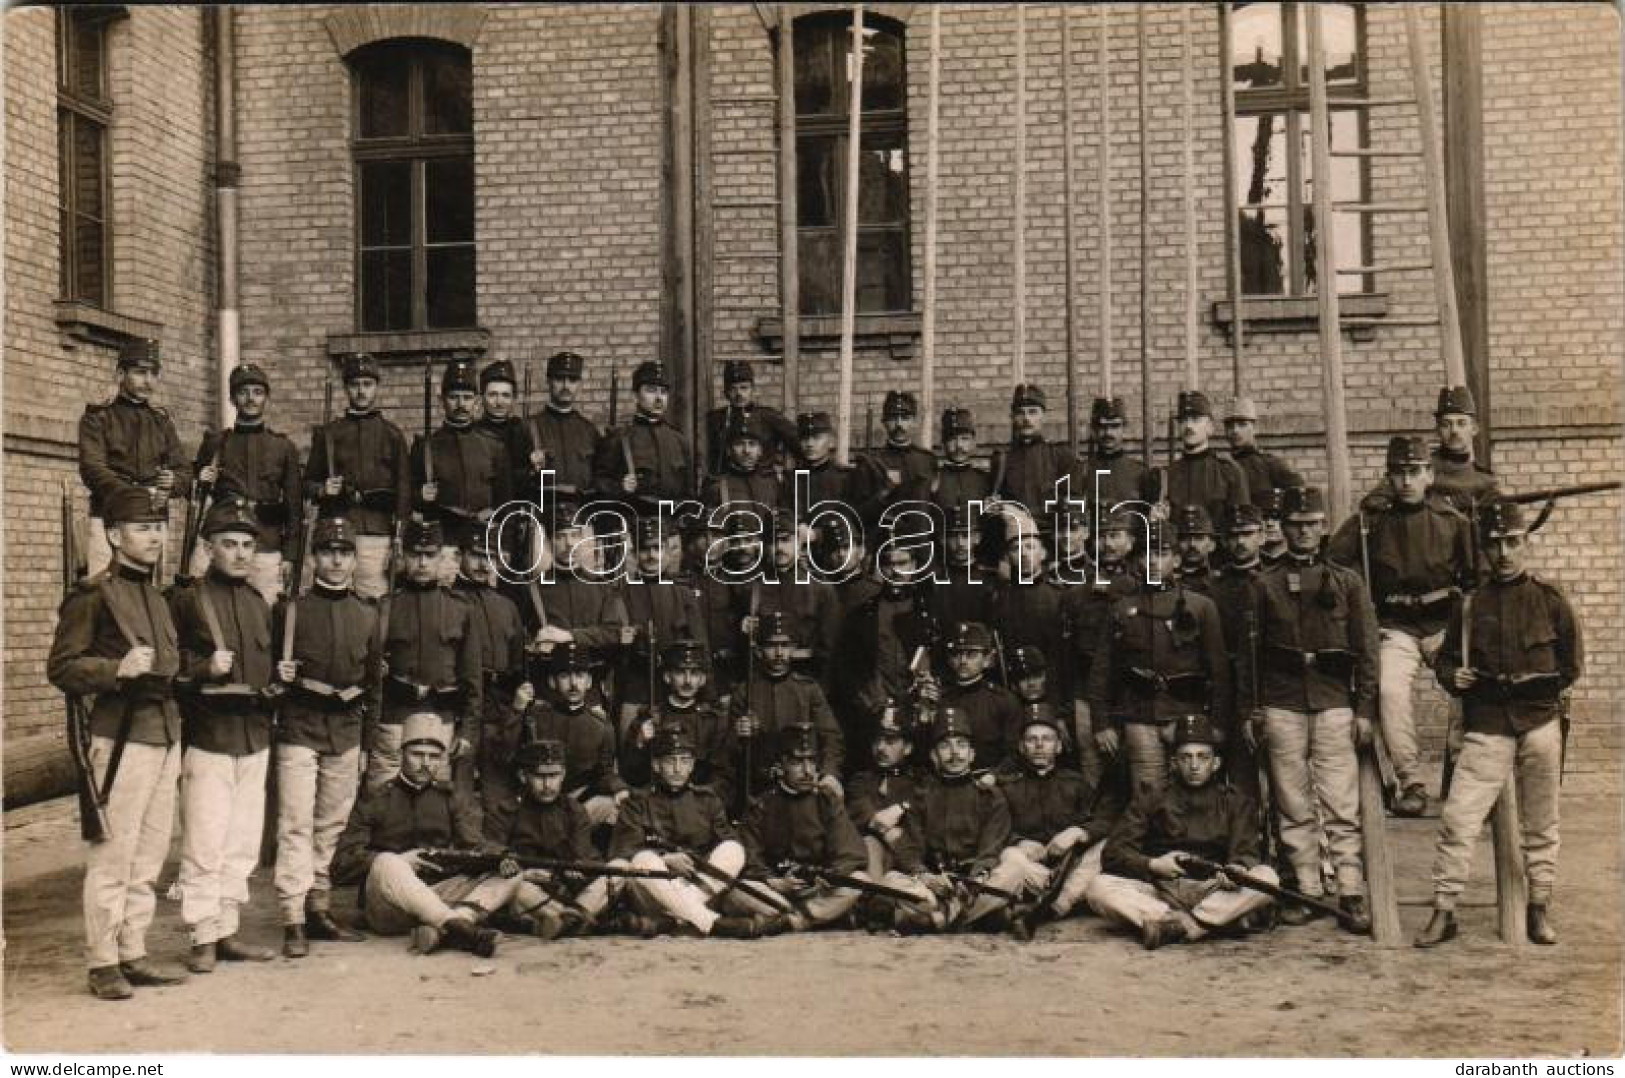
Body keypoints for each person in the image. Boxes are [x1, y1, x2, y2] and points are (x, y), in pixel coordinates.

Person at [1419, 500, 1582, 948]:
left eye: (1512, 542)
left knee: (1542, 821)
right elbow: (1447, 660)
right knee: (1458, 818)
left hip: (1539, 722)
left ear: (1525, 543)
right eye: (1496, 544)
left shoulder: (1551, 600)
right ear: (1486, 550)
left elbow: (1571, 665)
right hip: (1488, 723)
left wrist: (1537, 689)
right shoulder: (1470, 605)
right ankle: (1444, 908)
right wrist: (1456, 676)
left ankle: (1539, 908)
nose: (1504, 552)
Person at [48, 486, 188, 1000]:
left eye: (158, 527)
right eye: (141, 527)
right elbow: (61, 667)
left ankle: (133, 949)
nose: (153, 536)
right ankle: (103, 959)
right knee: (114, 853)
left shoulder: (156, 595)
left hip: (164, 732)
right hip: (121, 737)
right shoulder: (92, 595)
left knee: (150, 854)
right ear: (113, 535)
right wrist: (115, 669)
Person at [1237, 485, 1379, 934]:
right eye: (1295, 525)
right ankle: (1307, 888)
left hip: (1334, 702)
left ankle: (1351, 889)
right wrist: (1250, 710)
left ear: (1322, 528)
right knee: (1293, 802)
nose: (1303, 533)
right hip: (1281, 704)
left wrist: (1365, 709)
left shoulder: (1348, 582)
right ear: (1284, 528)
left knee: (1340, 801)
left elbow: (1367, 649)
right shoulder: (1265, 584)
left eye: (1311, 525)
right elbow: (1249, 656)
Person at [1329, 435, 1476, 816]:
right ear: (1388, 478)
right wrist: (1363, 615)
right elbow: (1335, 565)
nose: (1407, 481)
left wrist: (1466, 619)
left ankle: (1466, 775)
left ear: (1429, 474)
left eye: (1415, 472)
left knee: (1467, 688)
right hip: (1395, 626)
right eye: (1399, 474)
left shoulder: (1452, 520)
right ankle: (1410, 780)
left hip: (1445, 623)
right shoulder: (1370, 523)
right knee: (1390, 690)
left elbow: (1476, 576)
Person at [168, 496, 278, 971]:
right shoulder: (188, 600)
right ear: (209, 548)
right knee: (205, 841)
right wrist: (203, 669)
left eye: (247, 544)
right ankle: (201, 938)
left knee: (242, 843)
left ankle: (226, 930)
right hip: (209, 738)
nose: (239, 553)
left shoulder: (259, 604)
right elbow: (170, 673)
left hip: (254, 737)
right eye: (228, 543)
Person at [272, 516, 376, 958]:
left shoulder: (369, 613)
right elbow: (269, 671)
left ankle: (318, 907)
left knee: (331, 825)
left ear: (354, 560)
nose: (337, 560)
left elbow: (374, 684)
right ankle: (292, 915)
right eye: (328, 552)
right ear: (313, 558)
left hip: (347, 729)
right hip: (300, 724)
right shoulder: (290, 610)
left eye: (345, 552)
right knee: (295, 823)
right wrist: (280, 675)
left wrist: (367, 742)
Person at [1086, 714, 1276, 949]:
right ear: (1174, 763)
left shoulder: (1236, 801)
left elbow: (1246, 850)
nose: (1194, 766)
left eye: (1202, 757)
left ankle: (1182, 927)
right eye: (1186, 757)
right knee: (1098, 888)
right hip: (1161, 890)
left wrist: (1237, 868)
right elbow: (1113, 853)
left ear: (1215, 763)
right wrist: (1153, 865)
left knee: (1267, 878)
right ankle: (1210, 922)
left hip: (1212, 888)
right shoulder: (1151, 797)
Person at [332, 712, 514, 957]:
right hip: (389, 906)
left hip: (438, 894)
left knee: (512, 875)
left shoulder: (450, 798)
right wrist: (400, 861)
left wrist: (502, 857)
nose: (426, 763)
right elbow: (341, 864)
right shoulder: (376, 798)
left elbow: (474, 844)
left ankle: (447, 928)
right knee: (387, 862)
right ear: (401, 754)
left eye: (434, 756)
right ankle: (460, 926)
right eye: (417, 754)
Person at [1088, 521, 1231, 797]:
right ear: (1137, 560)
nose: (1153, 561)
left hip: (1189, 715)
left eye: (1161, 553)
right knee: (1148, 797)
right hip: (1141, 717)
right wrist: (1101, 722)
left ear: (1176, 559)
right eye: (1146, 554)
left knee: (1194, 792)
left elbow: (1220, 672)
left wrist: (1218, 724)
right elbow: (1102, 671)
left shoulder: (1201, 607)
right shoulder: (1122, 609)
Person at [878, 708, 1036, 933]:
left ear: (972, 754)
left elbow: (990, 850)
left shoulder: (990, 796)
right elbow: (912, 847)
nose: (954, 754)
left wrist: (974, 881)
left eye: (961, 745)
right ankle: (979, 918)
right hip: (935, 885)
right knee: (891, 880)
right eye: (945, 746)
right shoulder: (922, 795)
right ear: (934, 756)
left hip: (977, 884)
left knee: (1015, 869)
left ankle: (940, 920)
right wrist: (925, 875)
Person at [605, 725, 760, 938]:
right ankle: (711, 923)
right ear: (657, 765)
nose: (678, 769)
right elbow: (624, 849)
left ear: (692, 766)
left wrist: (696, 864)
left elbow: (726, 841)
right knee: (643, 858)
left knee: (734, 849)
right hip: (654, 890)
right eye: (670, 761)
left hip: (700, 886)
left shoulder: (707, 800)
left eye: (684, 761)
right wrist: (666, 859)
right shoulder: (637, 801)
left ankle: (674, 919)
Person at [372, 517, 482, 795]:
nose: (422, 564)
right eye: (415, 555)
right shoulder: (385, 607)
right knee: (382, 802)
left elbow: (472, 678)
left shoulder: (460, 608)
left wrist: (467, 732)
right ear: (403, 556)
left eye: (429, 556)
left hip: (440, 721)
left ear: (440, 556)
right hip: (394, 722)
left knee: (435, 807)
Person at [997, 702, 1124, 939]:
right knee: (1010, 858)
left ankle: (1051, 907)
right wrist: (1019, 841)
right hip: (1030, 866)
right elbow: (995, 828)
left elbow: (1103, 819)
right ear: (1021, 747)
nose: (1039, 746)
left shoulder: (1075, 783)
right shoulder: (1008, 786)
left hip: (1069, 864)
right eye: (1031, 740)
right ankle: (1060, 901)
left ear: (1058, 746)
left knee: (1104, 846)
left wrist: (1078, 832)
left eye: (1047, 739)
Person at [731, 723, 872, 933]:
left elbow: (851, 852)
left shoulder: (826, 801)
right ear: (782, 765)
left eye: (812, 761)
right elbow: (748, 853)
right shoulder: (762, 804)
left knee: (859, 881)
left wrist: (828, 875)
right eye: (798, 762)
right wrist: (773, 881)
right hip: (776, 889)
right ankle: (821, 917)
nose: (807, 771)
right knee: (738, 891)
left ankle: (794, 920)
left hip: (818, 890)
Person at [189, 363, 303, 602]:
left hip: (265, 541)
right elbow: (195, 494)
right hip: (222, 539)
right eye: (243, 392)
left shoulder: (283, 447)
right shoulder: (216, 443)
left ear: (266, 397)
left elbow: (294, 507)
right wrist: (201, 480)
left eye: (258, 392)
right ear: (232, 398)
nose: (251, 399)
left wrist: (291, 555)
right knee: (208, 605)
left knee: (266, 611)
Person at [78, 337, 191, 576]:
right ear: (121, 374)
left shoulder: (161, 422)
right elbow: (92, 468)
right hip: (111, 519)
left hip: (153, 520)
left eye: (153, 374)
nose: (148, 381)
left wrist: (172, 482)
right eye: (140, 372)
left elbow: (184, 470)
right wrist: (135, 495)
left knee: (152, 593)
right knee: (105, 590)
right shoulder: (99, 417)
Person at [304, 352, 412, 599]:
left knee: (372, 603)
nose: (361, 391)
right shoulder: (329, 434)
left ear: (376, 387)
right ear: (346, 388)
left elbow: (404, 494)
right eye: (354, 385)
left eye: (367, 384)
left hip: (375, 534)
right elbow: (307, 484)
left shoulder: (392, 435)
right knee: (331, 598)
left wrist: (398, 541)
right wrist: (322, 489)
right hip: (335, 528)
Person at [483, 738, 612, 939]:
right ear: (523, 776)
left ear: (563, 775)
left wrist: (576, 867)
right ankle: (572, 919)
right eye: (540, 776)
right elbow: (492, 848)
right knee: (510, 887)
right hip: (530, 888)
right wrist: (515, 867)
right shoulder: (507, 810)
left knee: (614, 877)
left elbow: (581, 854)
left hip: (568, 886)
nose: (547, 785)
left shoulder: (574, 810)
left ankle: (562, 919)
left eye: (554, 776)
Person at [412, 358, 511, 583]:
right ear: (441, 401)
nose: (460, 404)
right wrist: (421, 496)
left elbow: (506, 500)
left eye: (467, 398)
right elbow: (409, 499)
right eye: (453, 397)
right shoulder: (426, 447)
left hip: (482, 545)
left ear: (477, 401)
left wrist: (494, 516)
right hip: (444, 542)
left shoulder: (493, 446)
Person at [731, 612, 845, 804]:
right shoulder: (745, 692)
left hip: (803, 785)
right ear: (758, 651)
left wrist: (829, 772)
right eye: (771, 645)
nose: (779, 653)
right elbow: (728, 755)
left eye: (785, 645)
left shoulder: (808, 690)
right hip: (759, 789)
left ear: (793, 649)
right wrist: (739, 735)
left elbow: (832, 737)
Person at [522, 642, 628, 829]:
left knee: (612, 806)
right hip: (540, 800)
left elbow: (604, 773)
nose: (573, 684)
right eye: (565, 676)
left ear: (588, 682)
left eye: (579, 676)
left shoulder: (601, 726)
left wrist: (618, 788)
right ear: (552, 682)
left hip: (579, 803)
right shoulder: (535, 720)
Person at [620, 638, 737, 806]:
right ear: (668, 677)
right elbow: (631, 775)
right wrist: (640, 743)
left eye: (695, 673)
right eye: (681, 673)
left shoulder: (714, 721)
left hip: (698, 804)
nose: (688, 681)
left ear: (703, 679)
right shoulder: (649, 718)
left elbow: (723, 777)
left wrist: (699, 799)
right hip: (656, 804)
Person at [918, 621, 1021, 772]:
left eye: (971, 654)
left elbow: (1015, 753)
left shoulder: (1004, 701)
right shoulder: (939, 699)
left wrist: (995, 776)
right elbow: (924, 754)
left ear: (987, 660)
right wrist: (925, 716)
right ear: (949, 660)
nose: (963, 661)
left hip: (990, 783)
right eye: (957, 654)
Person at [595, 361, 695, 507]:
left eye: (663, 392)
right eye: (651, 390)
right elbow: (599, 483)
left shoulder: (679, 441)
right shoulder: (620, 438)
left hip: (672, 524)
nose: (659, 398)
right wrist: (620, 487)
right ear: (635, 396)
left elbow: (689, 493)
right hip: (635, 522)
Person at [845, 703, 922, 879]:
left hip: (910, 862)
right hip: (869, 861)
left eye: (890, 741)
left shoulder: (919, 783)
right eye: (877, 740)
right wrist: (889, 832)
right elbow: (867, 816)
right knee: (870, 842)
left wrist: (903, 807)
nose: (880, 748)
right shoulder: (860, 782)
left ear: (908, 748)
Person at [990, 383, 1085, 516]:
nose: (1026, 419)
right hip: (1015, 534)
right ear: (1012, 418)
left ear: (1044, 416)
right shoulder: (1002, 460)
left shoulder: (1061, 456)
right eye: (1020, 413)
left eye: (1033, 412)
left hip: (1052, 533)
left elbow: (1075, 504)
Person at [1160, 390, 1250, 524]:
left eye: (1196, 419)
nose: (1189, 426)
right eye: (1184, 420)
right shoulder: (1168, 475)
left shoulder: (1229, 472)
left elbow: (1240, 527)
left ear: (1210, 427)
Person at [849, 390, 937, 523]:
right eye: (893, 418)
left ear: (914, 421)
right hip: (886, 540)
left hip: (920, 540)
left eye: (905, 418)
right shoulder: (870, 463)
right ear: (884, 421)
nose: (899, 424)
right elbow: (858, 515)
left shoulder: (926, 460)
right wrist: (885, 492)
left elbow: (934, 507)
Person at [524, 350, 601, 496]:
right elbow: (514, 482)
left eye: (572, 380)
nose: (566, 386)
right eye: (559, 379)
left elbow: (601, 479)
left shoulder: (589, 430)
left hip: (581, 513)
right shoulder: (529, 427)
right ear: (548, 381)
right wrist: (530, 469)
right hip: (543, 514)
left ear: (579, 384)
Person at [704, 360, 799, 476]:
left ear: (753, 390)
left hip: (764, 483)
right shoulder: (716, 420)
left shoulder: (769, 417)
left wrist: (791, 478)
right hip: (730, 485)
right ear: (725, 393)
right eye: (733, 389)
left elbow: (799, 444)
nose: (739, 394)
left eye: (744, 388)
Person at [1223, 396, 1301, 503]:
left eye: (1242, 425)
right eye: (1230, 426)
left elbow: (1300, 499)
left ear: (1255, 428)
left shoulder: (1271, 464)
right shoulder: (1220, 468)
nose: (1235, 430)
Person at [1083, 396, 1151, 512]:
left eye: (1115, 426)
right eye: (1102, 427)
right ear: (1093, 430)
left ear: (1124, 429)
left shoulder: (1140, 473)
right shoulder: (1082, 472)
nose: (1108, 433)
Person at [928, 407, 993, 517]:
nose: (959, 445)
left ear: (973, 443)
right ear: (943, 443)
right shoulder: (932, 480)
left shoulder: (985, 481)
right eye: (952, 439)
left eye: (964, 439)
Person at [793, 411, 852, 507]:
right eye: (804, 438)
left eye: (816, 438)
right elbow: (785, 513)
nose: (809, 444)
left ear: (831, 441)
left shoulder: (845, 478)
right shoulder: (792, 479)